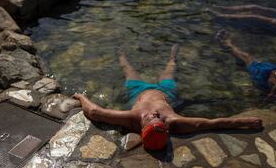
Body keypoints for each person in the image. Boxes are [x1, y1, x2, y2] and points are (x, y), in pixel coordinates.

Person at [73, 45, 262, 150]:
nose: (155, 114)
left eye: (152, 118)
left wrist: (81, 96)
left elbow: (95, 112)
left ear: (142, 127)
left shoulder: (131, 119)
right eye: (159, 118)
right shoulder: (174, 121)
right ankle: (173, 55)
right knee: (171, 68)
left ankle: (120, 52)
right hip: (166, 92)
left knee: (127, 69)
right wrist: (244, 121)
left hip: (137, 91)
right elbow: (212, 123)